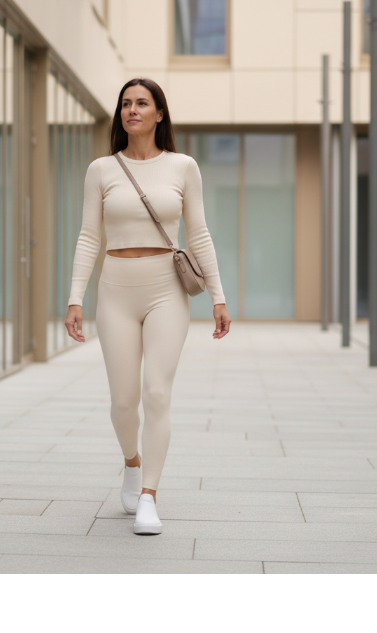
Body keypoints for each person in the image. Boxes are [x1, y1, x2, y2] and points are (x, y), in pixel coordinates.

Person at [64, 78, 230, 535]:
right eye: (126, 104)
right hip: (115, 290)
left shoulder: (183, 167)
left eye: (142, 103)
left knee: (157, 392)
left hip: (165, 291)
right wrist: (75, 297)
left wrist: (218, 296)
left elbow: (198, 234)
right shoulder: (101, 169)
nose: (132, 110)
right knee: (124, 401)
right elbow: (89, 236)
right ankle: (132, 463)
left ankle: (149, 496)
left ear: (160, 114)